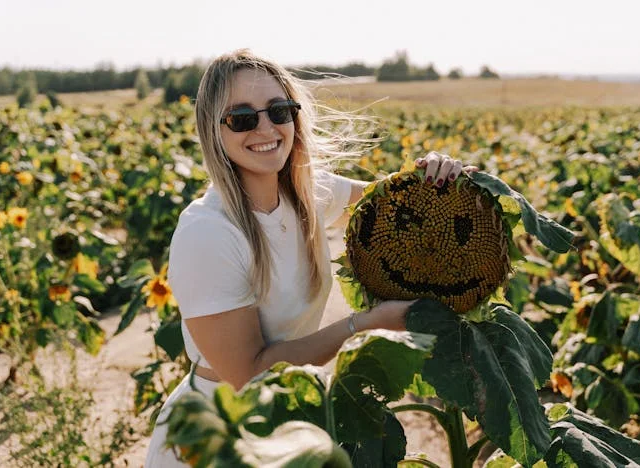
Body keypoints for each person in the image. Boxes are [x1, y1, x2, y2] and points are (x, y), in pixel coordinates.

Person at [144, 49, 473, 467]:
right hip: (221, 436)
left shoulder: (305, 191)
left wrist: (436, 175)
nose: (265, 127)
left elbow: (393, 203)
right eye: (242, 118)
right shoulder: (207, 232)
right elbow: (248, 373)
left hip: (295, 418)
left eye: (278, 111)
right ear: (215, 130)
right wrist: (365, 325)